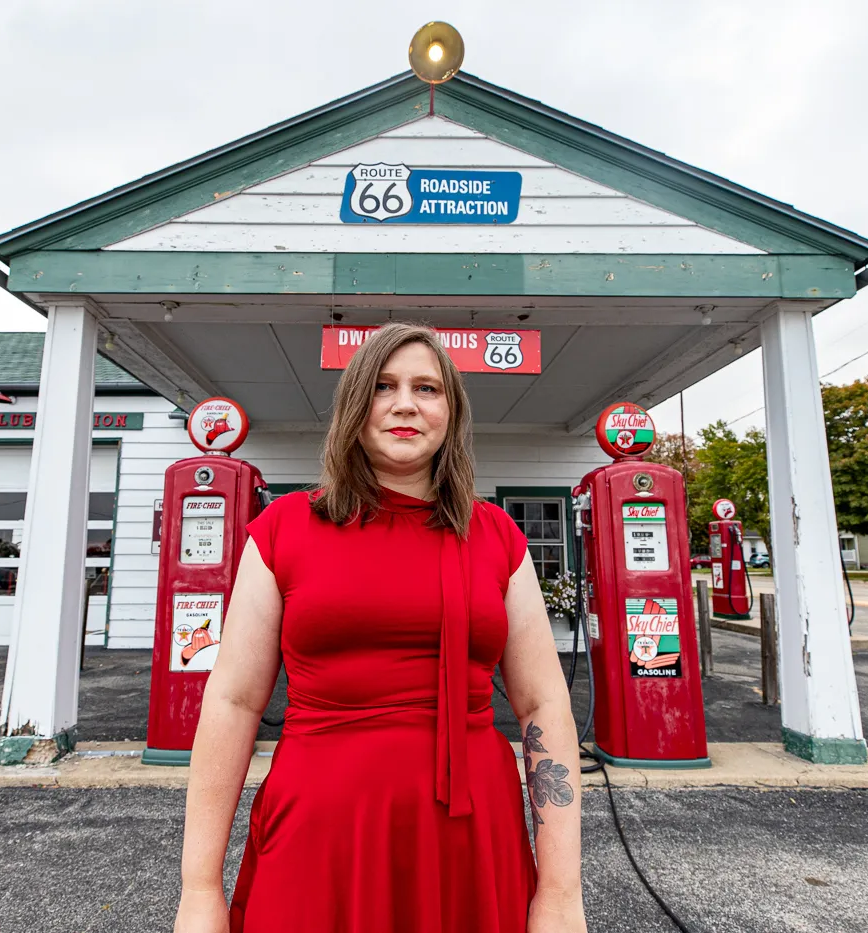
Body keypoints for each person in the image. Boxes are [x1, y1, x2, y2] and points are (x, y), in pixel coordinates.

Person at [174, 322, 587, 933]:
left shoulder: (498, 536)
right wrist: (199, 887)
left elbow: (542, 704)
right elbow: (233, 703)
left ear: (451, 410)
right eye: (384, 386)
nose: (405, 404)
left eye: (428, 388)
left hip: (473, 835)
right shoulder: (284, 529)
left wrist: (559, 892)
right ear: (354, 406)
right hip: (321, 832)